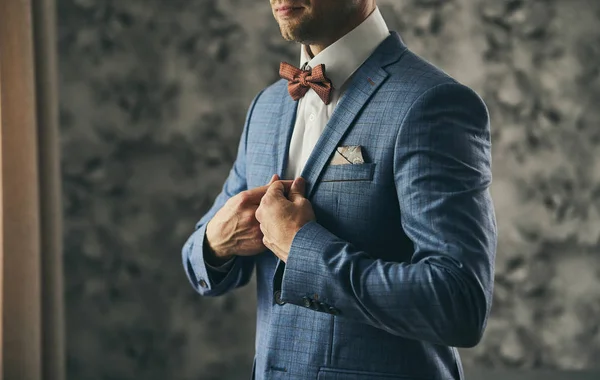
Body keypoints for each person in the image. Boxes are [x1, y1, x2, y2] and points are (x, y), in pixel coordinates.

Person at [182, 1, 497, 379]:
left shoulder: (431, 103)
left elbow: (458, 304)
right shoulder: (265, 109)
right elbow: (198, 258)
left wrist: (303, 250)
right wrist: (217, 241)